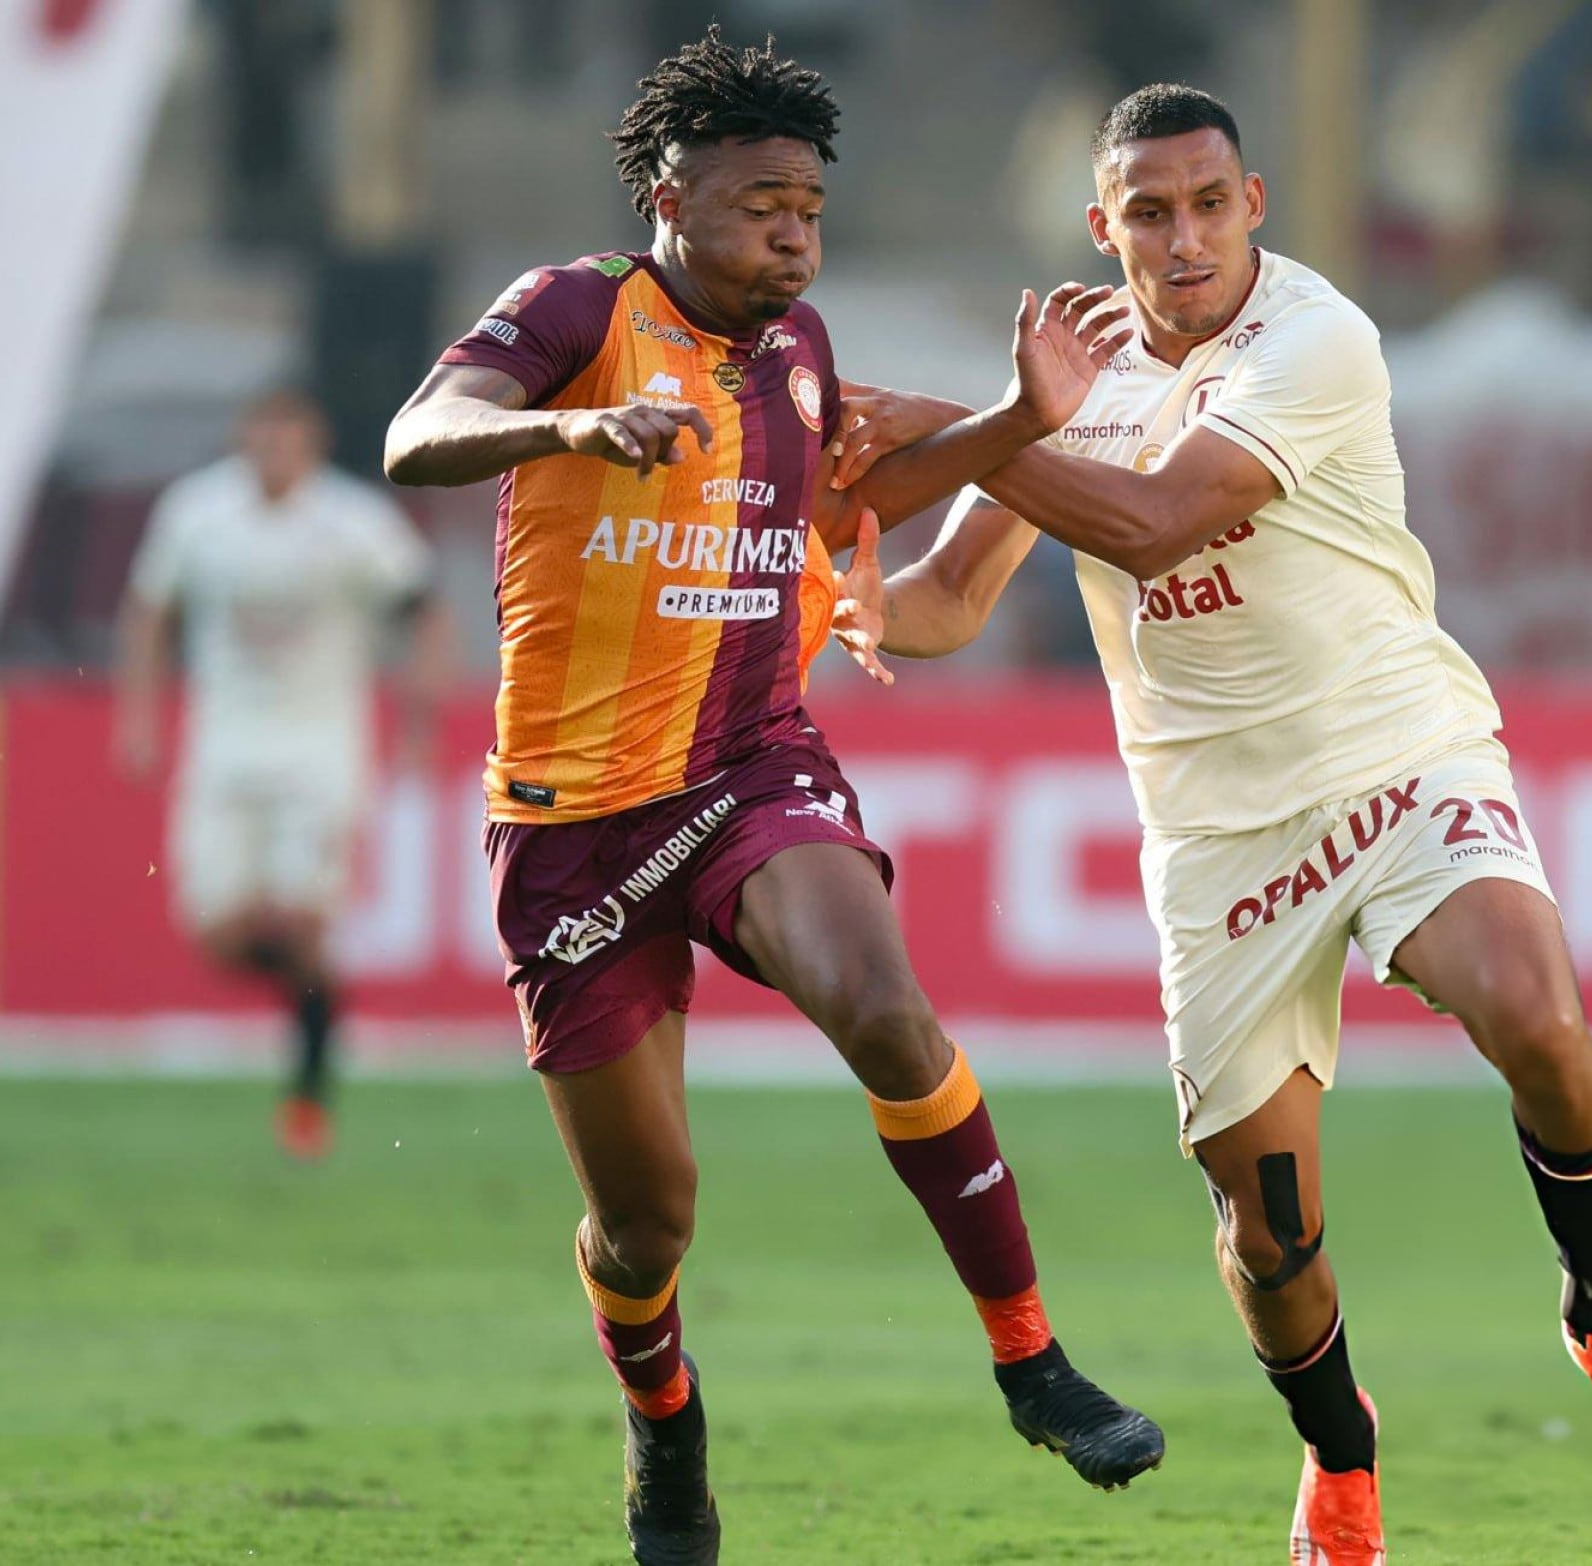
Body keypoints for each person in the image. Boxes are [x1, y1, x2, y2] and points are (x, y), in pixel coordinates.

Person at [825, 84, 1592, 1566]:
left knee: (1538, 1018)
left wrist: (955, 426)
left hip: (1396, 753)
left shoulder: (1315, 338)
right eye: (1149, 214)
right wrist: (831, 606)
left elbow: (1160, 520)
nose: (1183, 239)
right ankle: (1341, 1461)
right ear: (1101, 227)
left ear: (1253, 207)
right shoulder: (1078, 373)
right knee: (1270, 1226)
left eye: (1209, 204)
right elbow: (954, 597)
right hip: (1219, 840)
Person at [379, 31, 1159, 1565]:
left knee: (885, 1005)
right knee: (647, 1219)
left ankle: (1030, 1357)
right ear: (669, 195)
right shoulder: (576, 311)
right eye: (758, 205)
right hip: (571, 828)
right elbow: (416, 438)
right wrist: (570, 426)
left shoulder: (796, 356)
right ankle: (664, 1424)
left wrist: (1019, 422)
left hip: (750, 771)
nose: (792, 236)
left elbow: (856, 506)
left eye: (808, 208)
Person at [114, 387, 448, 1160]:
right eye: (260, 439)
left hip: (319, 747)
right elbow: (148, 611)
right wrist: (138, 718)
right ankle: (322, 998)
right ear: (243, 441)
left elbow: (425, 610)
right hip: (223, 745)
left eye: (287, 440)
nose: (272, 454)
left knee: (301, 919)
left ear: (312, 444)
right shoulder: (196, 513)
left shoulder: (352, 520)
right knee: (220, 936)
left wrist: (418, 723)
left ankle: (306, 1097)